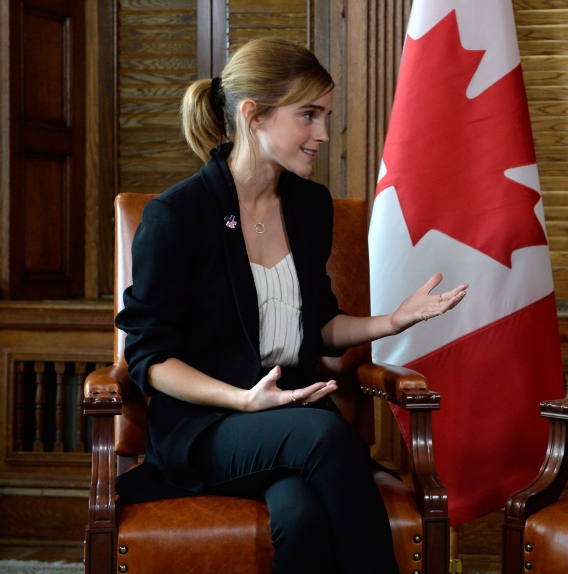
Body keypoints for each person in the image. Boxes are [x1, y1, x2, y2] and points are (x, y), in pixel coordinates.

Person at [114, 37, 468, 574]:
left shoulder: (309, 205)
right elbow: (150, 357)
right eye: (308, 115)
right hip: (210, 426)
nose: (323, 134)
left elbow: (320, 324)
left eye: (325, 115)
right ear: (254, 116)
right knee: (324, 435)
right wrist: (241, 400)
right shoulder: (178, 216)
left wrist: (392, 320)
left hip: (290, 421)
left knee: (301, 516)